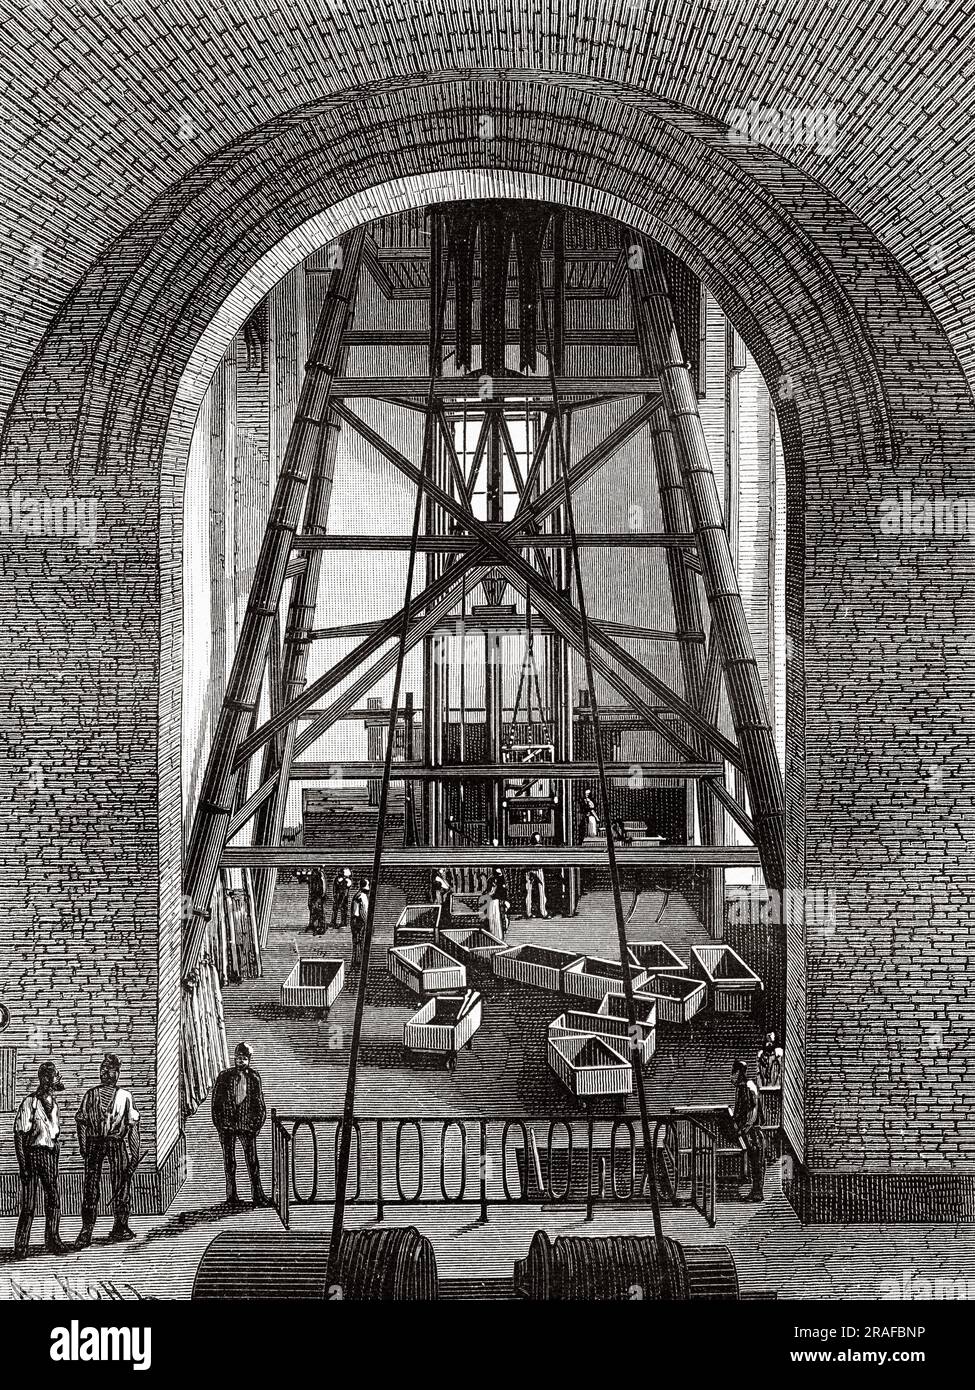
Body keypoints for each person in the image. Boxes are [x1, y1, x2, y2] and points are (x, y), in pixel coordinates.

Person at [75, 1053, 141, 1247]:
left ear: (117, 1073)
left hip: (116, 1143)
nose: (104, 1072)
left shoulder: (125, 1096)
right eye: (102, 1068)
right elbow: (81, 1122)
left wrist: (134, 1154)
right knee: (90, 1187)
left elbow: (132, 1127)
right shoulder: (90, 1094)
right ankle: (86, 1230)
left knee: (121, 1183)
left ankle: (120, 1226)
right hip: (95, 1143)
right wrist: (83, 1145)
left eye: (109, 1069)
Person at [13, 1061, 68, 1258]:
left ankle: (53, 1240)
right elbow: (19, 1135)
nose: (58, 1079)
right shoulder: (30, 1103)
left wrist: (55, 1154)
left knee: (53, 1198)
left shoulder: (54, 1105)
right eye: (56, 1075)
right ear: (45, 1079)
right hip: (31, 1155)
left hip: (49, 1155)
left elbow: (54, 1134)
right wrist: (23, 1165)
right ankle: (21, 1246)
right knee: (28, 1204)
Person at [211, 1042, 271, 1208]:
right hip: (227, 1127)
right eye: (238, 1058)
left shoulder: (254, 1078)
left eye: (244, 1058)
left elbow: (259, 1104)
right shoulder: (224, 1077)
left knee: (252, 1162)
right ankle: (231, 1196)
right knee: (229, 1162)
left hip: (246, 1127)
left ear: (249, 1060)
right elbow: (216, 1103)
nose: (240, 1061)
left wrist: (255, 1125)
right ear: (234, 1058)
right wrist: (220, 1124)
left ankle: (258, 1195)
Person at [731, 1059, 766, 1201]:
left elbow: (753, 1110)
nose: (731, 1077)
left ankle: (757, 1193)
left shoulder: (747, 1087)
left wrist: (744, 1128)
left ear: (738, 1072)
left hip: (753, 1132)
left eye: (733, 1073)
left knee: (757, 1162)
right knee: (755, 1162)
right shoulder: (744, 1086)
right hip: (751, 1131)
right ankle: (756, 1192)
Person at [524, 833, 548, 919]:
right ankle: (532, 912)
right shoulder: (536, 848)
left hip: (535, 869)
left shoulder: (530, 848)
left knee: (539, 891)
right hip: (533, 869)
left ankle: (540, 911)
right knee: (531, 891)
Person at [350, 877, 370, 968]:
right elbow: (364, 912)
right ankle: (358, 961)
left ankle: (356, 960)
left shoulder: (357, 895)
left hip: (355, 920)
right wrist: (367, 922)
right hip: (359, 921)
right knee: (359, 941)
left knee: (356, 941)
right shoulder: (362, 896)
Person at [487, 867, 510, 939]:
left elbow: (505, 892)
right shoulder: (491, 880)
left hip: (500, 903)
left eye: (499, 874)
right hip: (494, 903)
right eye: (497, 874)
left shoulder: (503, 880)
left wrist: (505, 901)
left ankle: (500, 937)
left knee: (502, 919)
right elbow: (490, 893)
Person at [330, 867, 353, 932]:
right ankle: (334, 922)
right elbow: (335, 889)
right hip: (338, 896)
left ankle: (343, 922)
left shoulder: (346, 881)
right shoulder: (339, 880)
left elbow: (345, 891)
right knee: (336, 909)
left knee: (343, 910)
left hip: (343, 897)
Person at [307, 866, 327, 935]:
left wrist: (322, 895)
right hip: (313, 895)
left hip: (318, 895)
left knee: (318, 911)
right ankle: (313, 925)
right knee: (313, 909)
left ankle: (321, 927)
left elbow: (323, 886)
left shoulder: (320, 874)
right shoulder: (314, 874)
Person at [433, 867, 453, 936]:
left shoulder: (445, 880)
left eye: (445, 871)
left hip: (445, 903)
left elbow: (449, 888)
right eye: (442, 871)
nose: (444, 872)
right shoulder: (438, 879)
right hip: (440, 902)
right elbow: (440, 890)